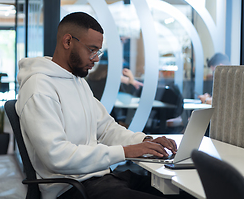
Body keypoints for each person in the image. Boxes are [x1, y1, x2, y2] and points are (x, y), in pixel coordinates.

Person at [16, 12, 180, 199]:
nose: (96, 59)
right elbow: (57, 156)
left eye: (98, 51)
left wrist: (144, 141)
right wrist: (125, 152)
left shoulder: (78, 82)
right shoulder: (38, 88)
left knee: (177, 191)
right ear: (68, 41)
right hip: (72, 189)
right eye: (92, 50)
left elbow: (107, 129)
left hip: (101, 179)